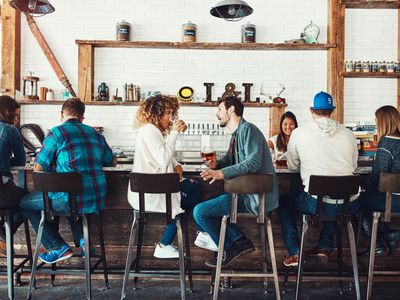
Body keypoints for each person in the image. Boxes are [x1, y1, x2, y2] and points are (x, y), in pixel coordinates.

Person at [19, 98, 115, 264]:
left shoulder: (56, 133)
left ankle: (57, 246)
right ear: (82, 118)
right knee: (72, 198)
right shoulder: (95, 134)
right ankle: (84, 242)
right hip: (96, 198)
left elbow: (39, 166)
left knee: (25, 203)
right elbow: (110, 161)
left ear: (62, 114)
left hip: (70, 200)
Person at [193, 96, 279, 267]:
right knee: (204, 210)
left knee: (200, 212)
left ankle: (230, 247)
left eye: (219, 109)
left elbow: (252, 163)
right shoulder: (236, 134)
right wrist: (216, 165)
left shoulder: (248, 129)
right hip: (245, 194)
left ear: (230, 110)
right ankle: (240, 242)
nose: (217, 114)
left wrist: (221, 173)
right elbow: (231, 159)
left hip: (255, 198)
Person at [279, 91, 359, 267]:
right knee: (335, 198)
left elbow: (292, 167)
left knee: (285, 204)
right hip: (349, 203)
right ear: (332, 110)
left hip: (316, 203)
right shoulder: (349, 134)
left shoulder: (299, 133)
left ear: (311, 110)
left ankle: (294, 252)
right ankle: (324, 246)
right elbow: (353, 167)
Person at [127, 93, 202, 259]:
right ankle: (167, 243)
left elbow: (164, 156)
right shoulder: (149, 129)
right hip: (150, 195)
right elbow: (162, 158)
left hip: (153, 190)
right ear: (156, 113)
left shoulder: (152, 131)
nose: (170, 118)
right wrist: (175, 133)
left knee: (191, 187)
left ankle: (168, 242)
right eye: (168, 113)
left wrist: (175, 165)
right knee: (192, 190)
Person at [359, 105, 400, 255]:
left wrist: (363, 190)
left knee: (356, 202)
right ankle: (388, 233)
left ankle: (376, 244)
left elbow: (378, 177)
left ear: (383, 122)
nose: (375, 124)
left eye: (376, 121)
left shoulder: (386, 144)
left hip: (393, 200)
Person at [0, 96, 28, 255]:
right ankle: (4, 235)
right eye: (15, 116)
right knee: (32, 202)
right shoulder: (9, 130)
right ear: (7, 113)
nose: (17, 120)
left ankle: (2, 234)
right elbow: (21, 161)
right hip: (1, 193)